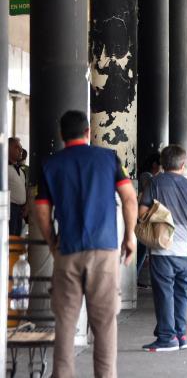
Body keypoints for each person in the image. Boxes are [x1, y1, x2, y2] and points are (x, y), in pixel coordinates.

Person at [32, 110, 137, 378]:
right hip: (104, 251)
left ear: (62, 135)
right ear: (88, 132)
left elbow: (42, 210)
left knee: (66, 323)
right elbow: (129, 198)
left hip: (68, 250)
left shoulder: (50, 165)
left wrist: (52, 243)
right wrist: (130, 236)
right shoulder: (109, 159)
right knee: (104, 324)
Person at [140, 145, 187, 352]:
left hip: (162, 249)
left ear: (162, 164)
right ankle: (180, 334)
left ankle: (167, 337)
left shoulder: (154, 183)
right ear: (183, 165)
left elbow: (141, 214)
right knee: (181, 293)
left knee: (164, 293)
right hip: (185, 252)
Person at [135, 151, 162, 287]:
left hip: (144, 215)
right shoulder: (147, 176)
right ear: (154, 165)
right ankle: (134, 276)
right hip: (142, 215)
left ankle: (135, 275)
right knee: (141, 248)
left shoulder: (149, 176)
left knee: (142, 248)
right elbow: (149, 193)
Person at [8, 137, 28, 236]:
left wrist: (25, 205)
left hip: (19, 210)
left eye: (21, 148)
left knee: (17, 238)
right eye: (17, 147)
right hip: (9, 209)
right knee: (10, 238)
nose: (21, 150)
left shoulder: (21, 171)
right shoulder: (4, 168)